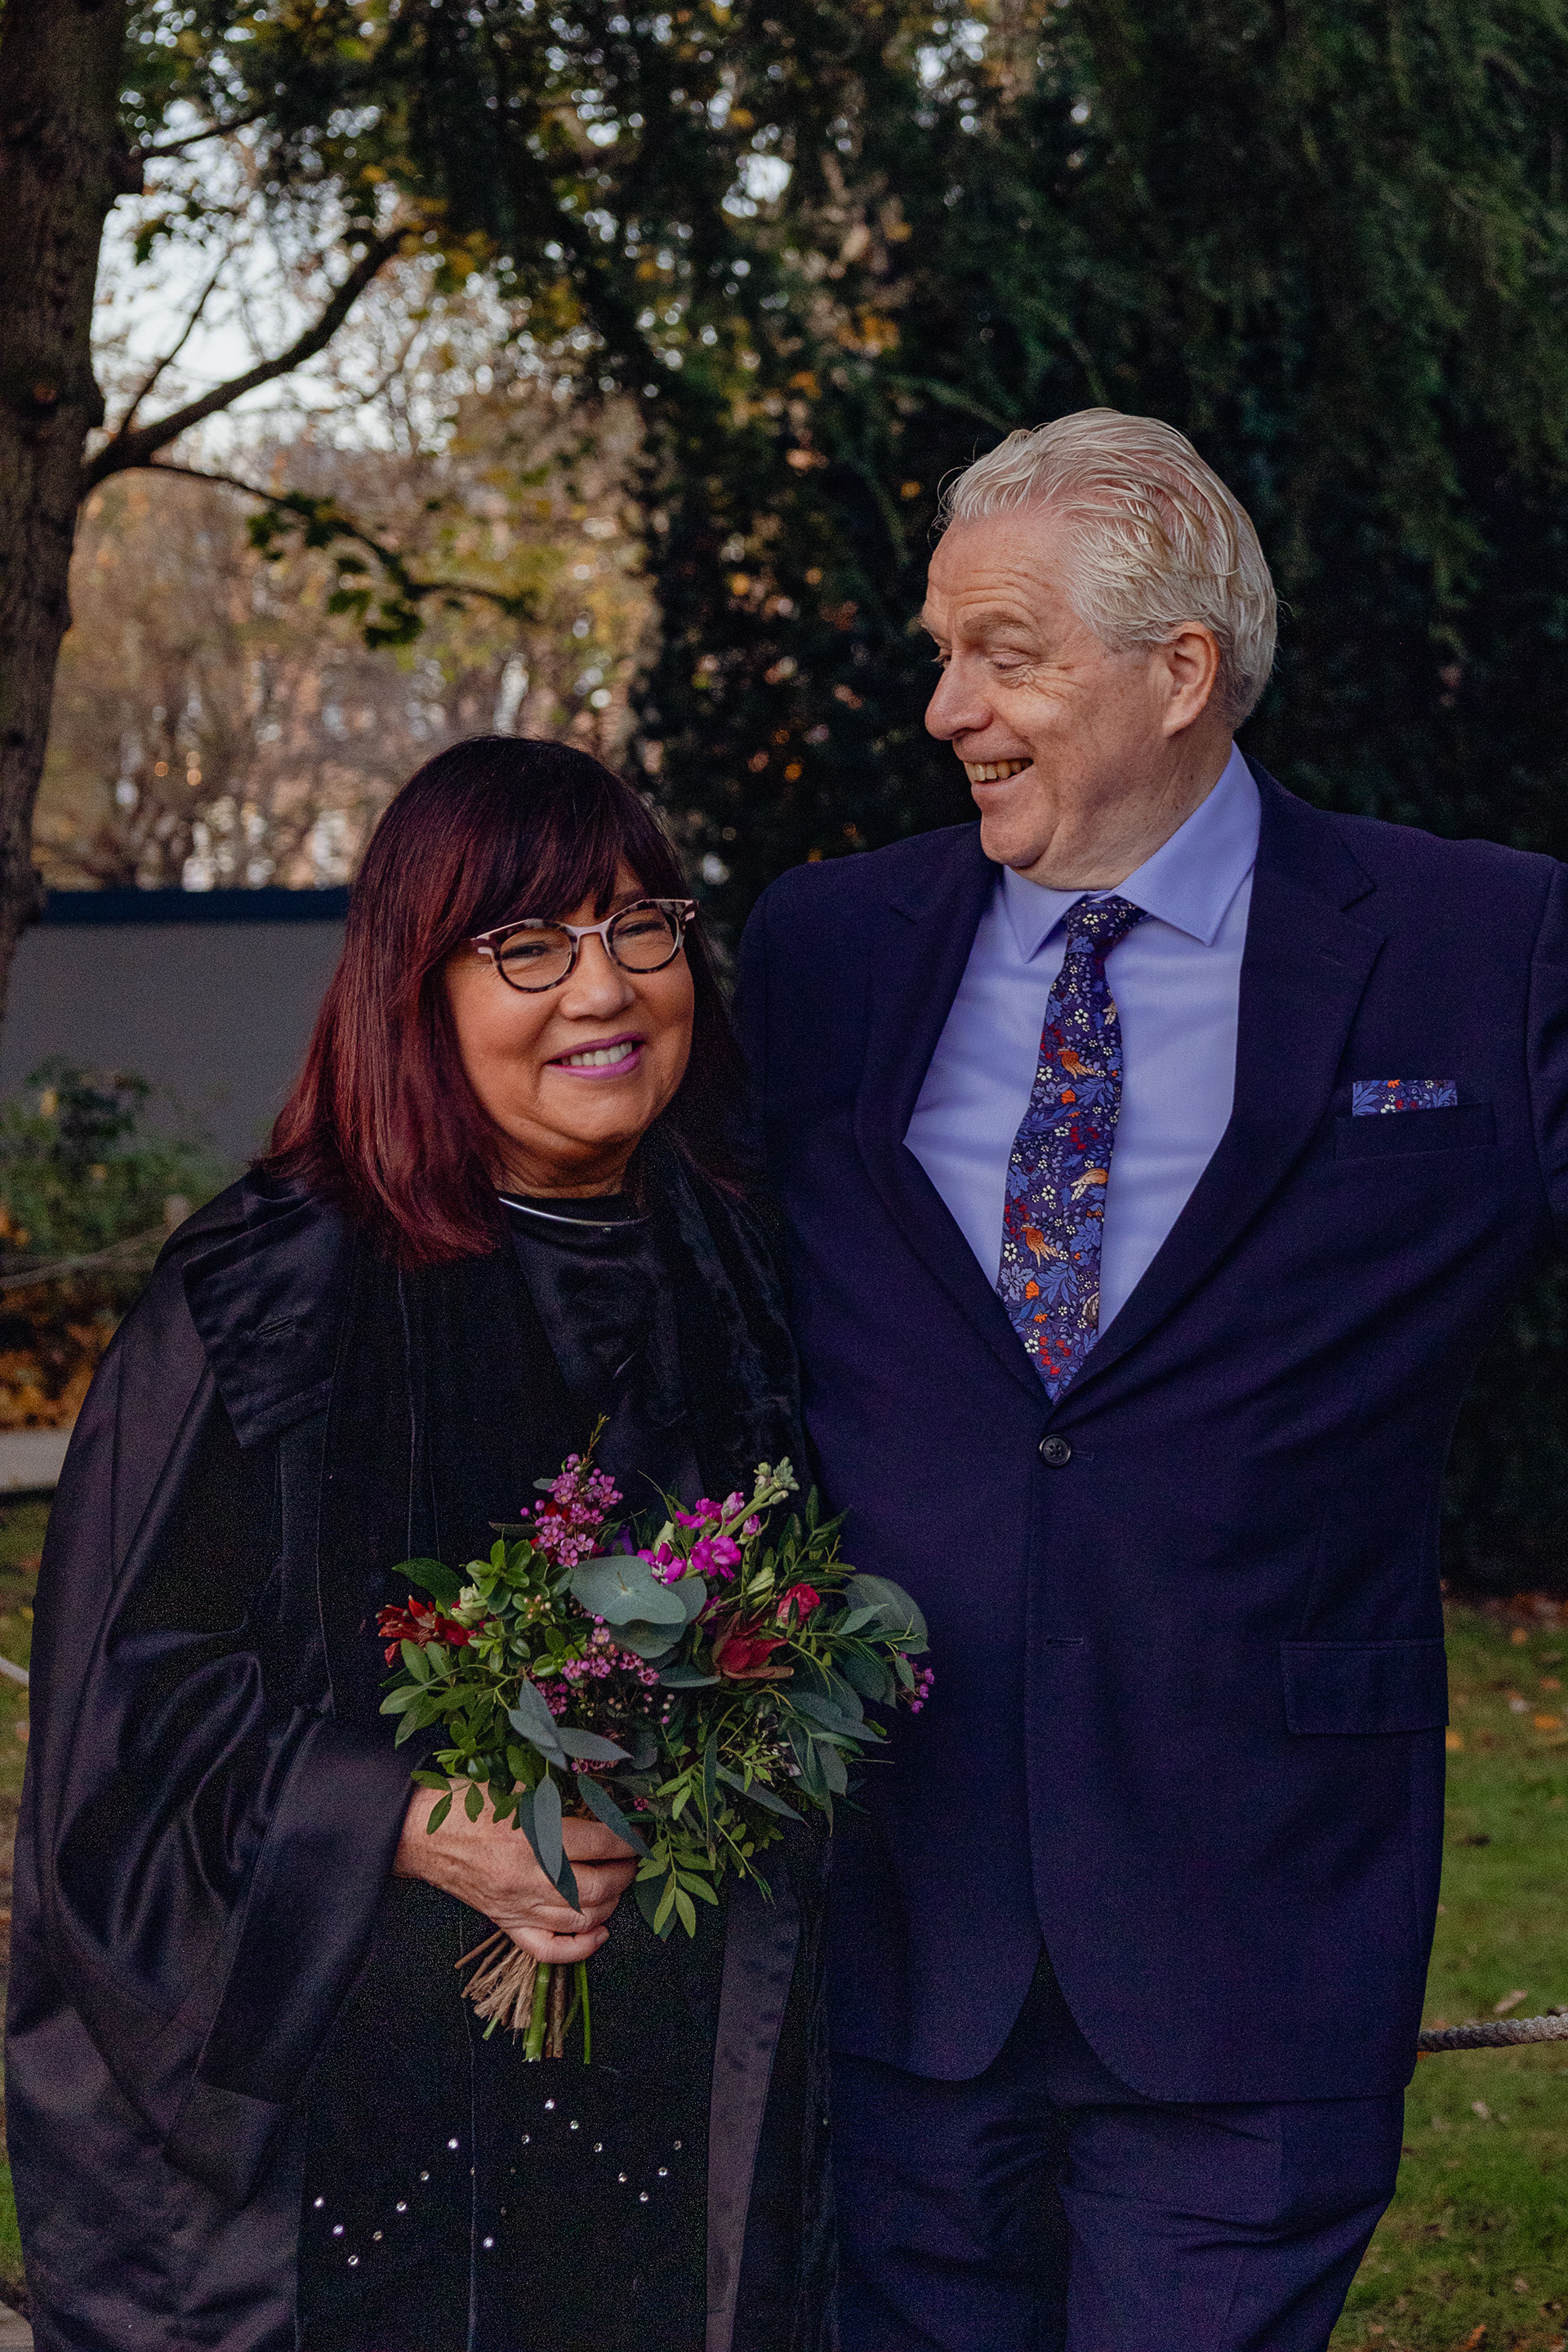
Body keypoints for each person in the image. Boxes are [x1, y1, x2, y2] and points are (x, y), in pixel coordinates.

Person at [738, 407, 1568, 2351]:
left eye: (1003, 652)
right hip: (891, 1911)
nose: (948, 706)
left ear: (1182, 671)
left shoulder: (1483, 944)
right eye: (942, 652)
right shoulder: (829, 950)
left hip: (1258, 1924)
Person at [8, 740, 831, 2352]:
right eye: (529, 945)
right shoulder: (267, 1297)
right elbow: (128, 1735)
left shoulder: (743, 1274)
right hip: (341, 2169)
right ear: (419, 984)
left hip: (662, 2126)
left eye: (638, 926)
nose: (602, 988)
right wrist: (405, 1812)